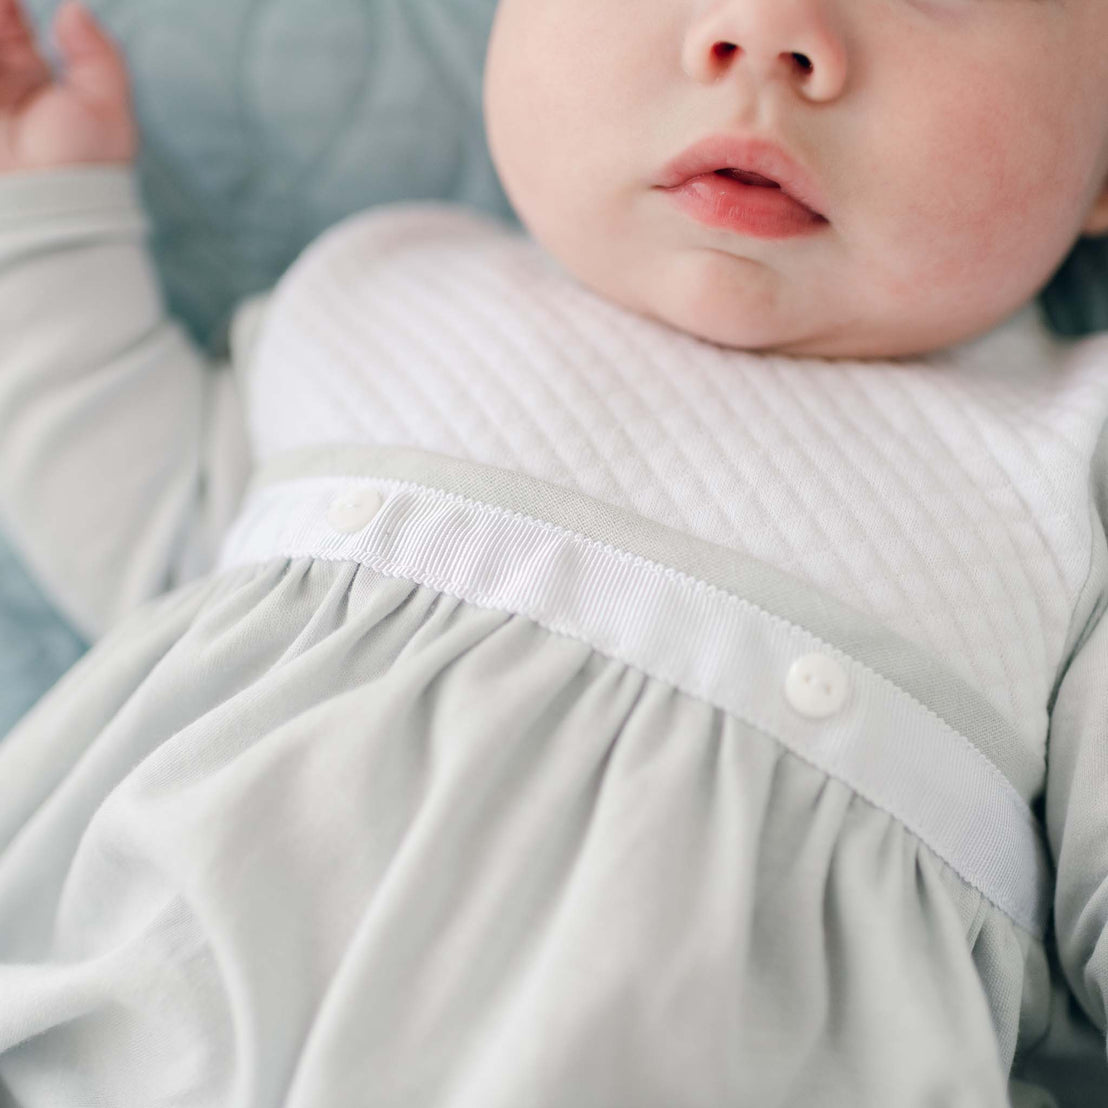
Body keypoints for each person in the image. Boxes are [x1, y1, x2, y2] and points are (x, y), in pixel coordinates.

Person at [1, 0, 1108, 1103]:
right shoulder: (381, 290)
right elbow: (160, 537)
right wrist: (44, 221)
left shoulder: (1068, 459)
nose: (765, 31)